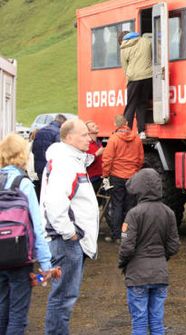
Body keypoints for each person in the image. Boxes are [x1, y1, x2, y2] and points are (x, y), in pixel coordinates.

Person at [40, 119, 99, 334]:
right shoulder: (66, 162)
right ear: (69, 137)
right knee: (64, 297)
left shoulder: (70, 160)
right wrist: (69, 233)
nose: (89, 138)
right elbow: (55, 202)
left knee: (64, 296)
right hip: (67, 243)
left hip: (71, 242)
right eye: (84, 135)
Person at [0, 134, 55, 335]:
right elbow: (36, 225)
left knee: (2, 309)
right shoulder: (23, 183)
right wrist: (46, 263)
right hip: (19, 255)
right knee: (18, 314)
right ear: (22, 154)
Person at [118, 168, 180, 335]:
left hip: (137, 275)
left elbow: (127, 247)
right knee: (157, 321)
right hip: (160, 274)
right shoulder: (169, 213)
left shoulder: (133, 214)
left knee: (139, 322)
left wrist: (122, 263)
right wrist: (160, 257)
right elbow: (174, 246)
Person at [102, 115, 144, 243]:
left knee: (117, 205)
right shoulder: (136, 138)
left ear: (115, 124)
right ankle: (129, 234)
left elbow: (107, 159)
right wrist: (135, 170)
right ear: (126, 123)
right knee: (130, 206)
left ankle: (117, 235)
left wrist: (105, 174)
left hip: (117, 176)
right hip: (132, 176)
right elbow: (140, 159)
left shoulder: (113, 139)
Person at [118, 31, 152, 140]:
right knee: (142, 104)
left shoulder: (124, 48)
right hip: (147, 77)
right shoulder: (146, 41)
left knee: (131, 105)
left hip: (133, 79)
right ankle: (141, 132)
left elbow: (125, 67)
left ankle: (126, 131)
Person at [31, 114, 67, 198]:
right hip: (52, 169)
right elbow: (60, 152)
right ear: (62, 123)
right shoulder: (58, 132)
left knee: (42, 193)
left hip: (39, 168)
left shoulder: (40, 131)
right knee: (52, 194)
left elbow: (33, 149)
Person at [85, 120, 104, 193]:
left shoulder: (98, 142)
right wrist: (96, 154)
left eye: (95, 124)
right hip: (92, 178)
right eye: (93, 126)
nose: (96, 126)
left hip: (101, 176)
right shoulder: (86, 144)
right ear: (88, 131)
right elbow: (85, 160)